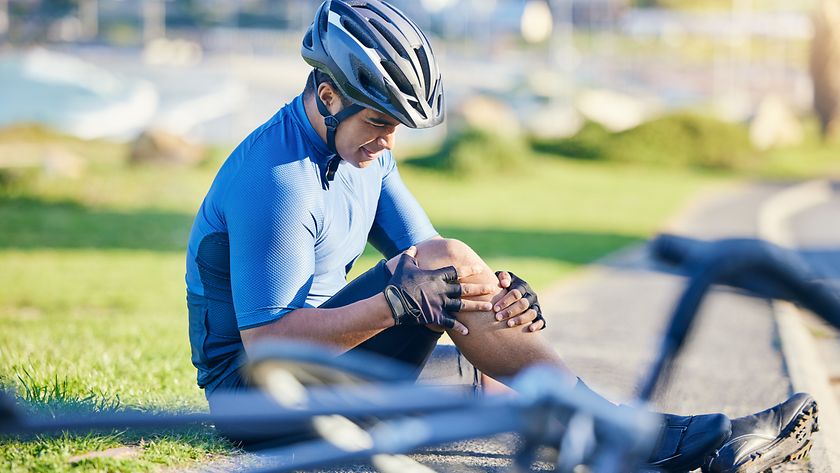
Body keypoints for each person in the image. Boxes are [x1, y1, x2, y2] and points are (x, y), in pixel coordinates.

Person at [184, 1, 819, 471]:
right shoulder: (274, 179)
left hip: (326, 373)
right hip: (261, 402)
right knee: (459, 298)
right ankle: (669, 443)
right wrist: (398, 302)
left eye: (398, 127)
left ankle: (685, 440)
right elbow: (266, 345)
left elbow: (441, 264)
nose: (388, 141)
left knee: (510, 388)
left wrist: (504, 296)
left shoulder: (364, 157)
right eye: (379, 121)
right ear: (327, 95)